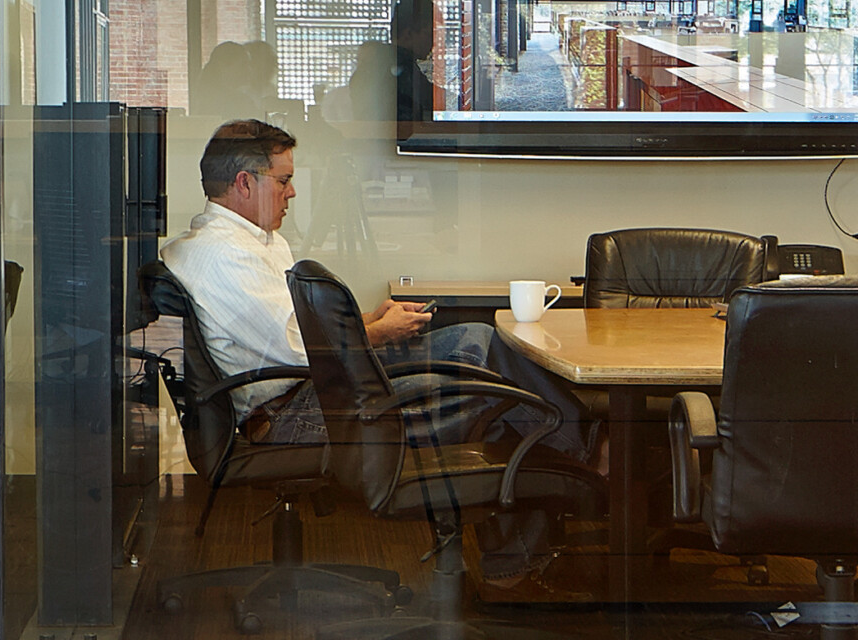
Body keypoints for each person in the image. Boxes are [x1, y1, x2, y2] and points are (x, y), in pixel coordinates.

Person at [157, 118, 599, 491]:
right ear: (244, 183)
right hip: (296, 412)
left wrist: (369, 319)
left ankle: (577, 472)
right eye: (284, 181)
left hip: (315, 388)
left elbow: (295, 329)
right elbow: (300, 348)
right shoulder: (223, 253)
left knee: (480, 344)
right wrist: (380, 332)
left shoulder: (248, 241)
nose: (292, 194)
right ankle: (593, 460)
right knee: (482, 372)